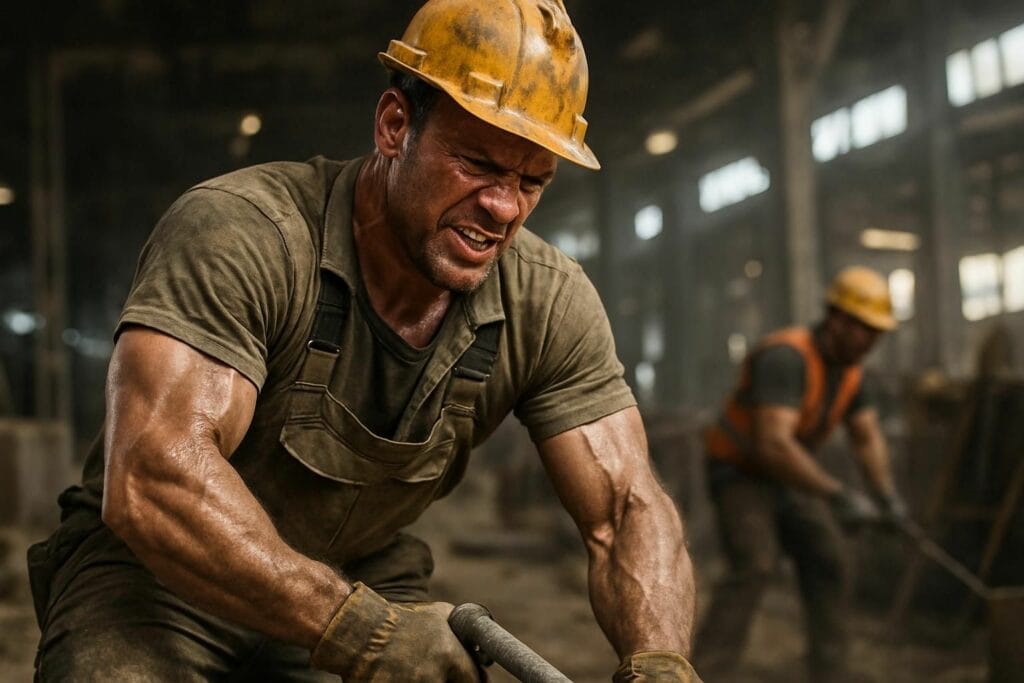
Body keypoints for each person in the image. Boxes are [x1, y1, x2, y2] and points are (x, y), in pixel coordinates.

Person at [27, 1, 701, 681]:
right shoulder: (244, 235)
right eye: (476, 163)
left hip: (353, 570)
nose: (504, 207)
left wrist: (661, 660)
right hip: (157, 578)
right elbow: (153, 475)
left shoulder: (545, 300)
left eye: (532, 181)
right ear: (394, 125)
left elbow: (626, 507)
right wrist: (364, 633)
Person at [694, 266, 907, 682]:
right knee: (755, 564)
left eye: (877, 332)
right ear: (837, 319)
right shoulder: (786, 357)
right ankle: (704, 674)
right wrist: (838, 494)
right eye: (865, 329)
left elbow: (866, 437)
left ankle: (830, 674)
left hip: (789, 476)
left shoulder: (851, 372)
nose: (872, 340)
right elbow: (773, 445)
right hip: (740, 472)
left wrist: (886, 496)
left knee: (830, 560)